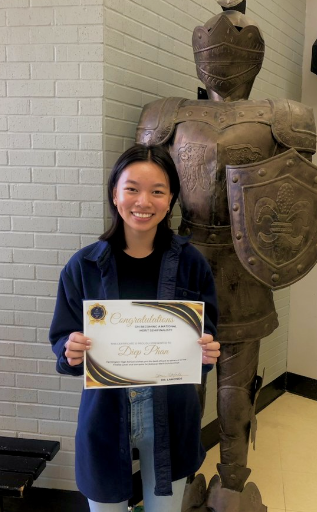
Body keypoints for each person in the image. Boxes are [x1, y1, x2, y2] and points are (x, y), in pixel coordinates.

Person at [49, 144, 220, 512]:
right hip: (106, 412)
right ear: (115, 193)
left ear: (171, 198)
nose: (144, 201)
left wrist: (207, 352)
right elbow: (61, 342)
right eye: (132, 188)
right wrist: (70, 349)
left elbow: (207, 341)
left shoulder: (192, 264)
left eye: (157, 191)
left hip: (171, 412)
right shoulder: (84, 266)